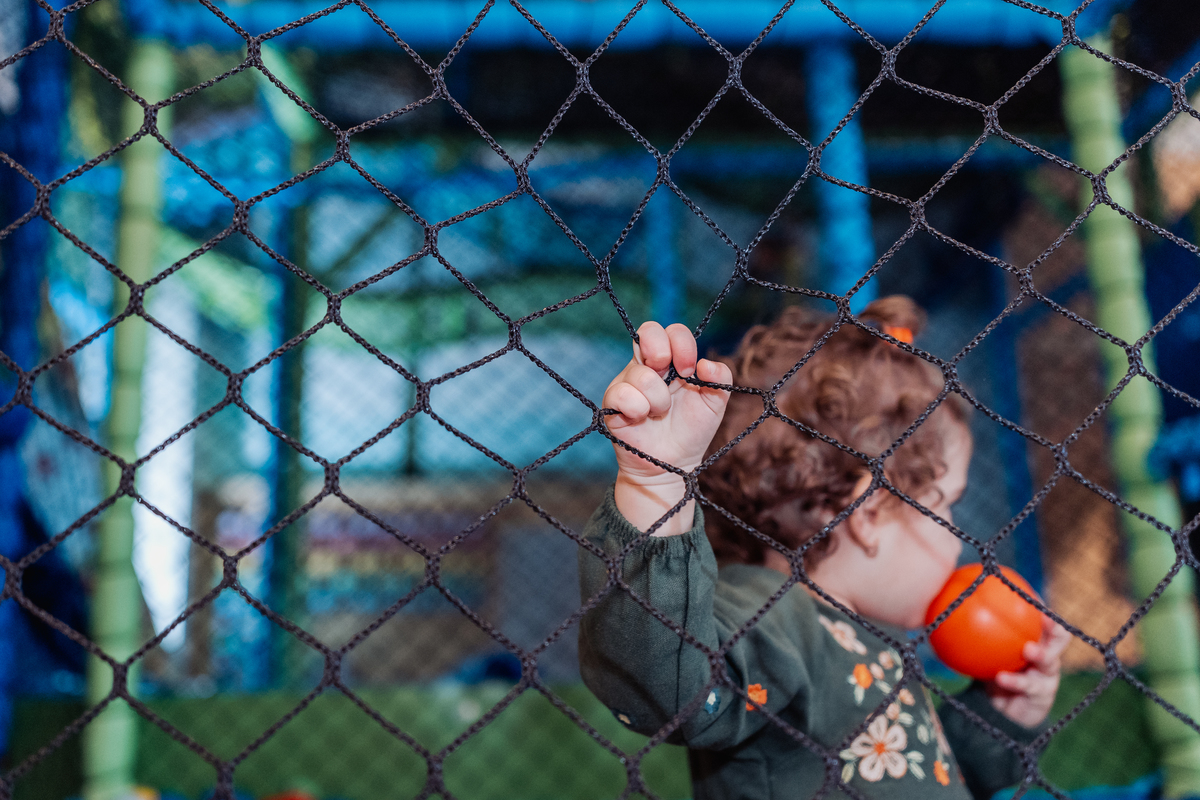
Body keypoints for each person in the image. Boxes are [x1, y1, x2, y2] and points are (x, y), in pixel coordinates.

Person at [577, 296, 1069, 799]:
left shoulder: (860, 640)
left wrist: (1001, 719)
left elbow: (921, 780)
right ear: (873, 514)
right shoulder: (778, 616)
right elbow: (671, 687)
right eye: (947, 506)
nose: (960, 539)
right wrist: (653, 491)